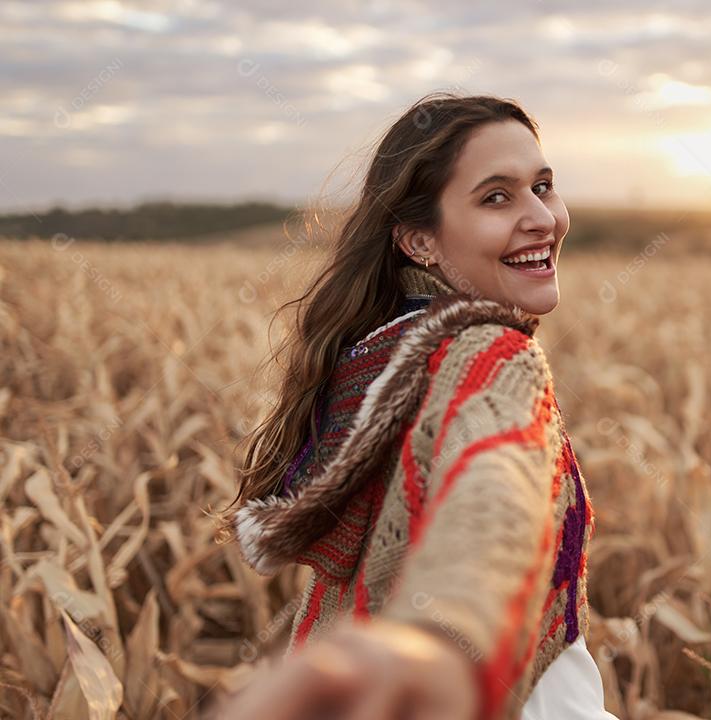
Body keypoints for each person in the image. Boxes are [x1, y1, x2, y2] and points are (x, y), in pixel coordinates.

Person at [214, 93, 619, 720]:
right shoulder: (491, 353)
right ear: (420, 241)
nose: (543, 218)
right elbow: (493, 485)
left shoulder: (376, 356)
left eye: (543, 187)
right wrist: (440, 642)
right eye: (497, 197)